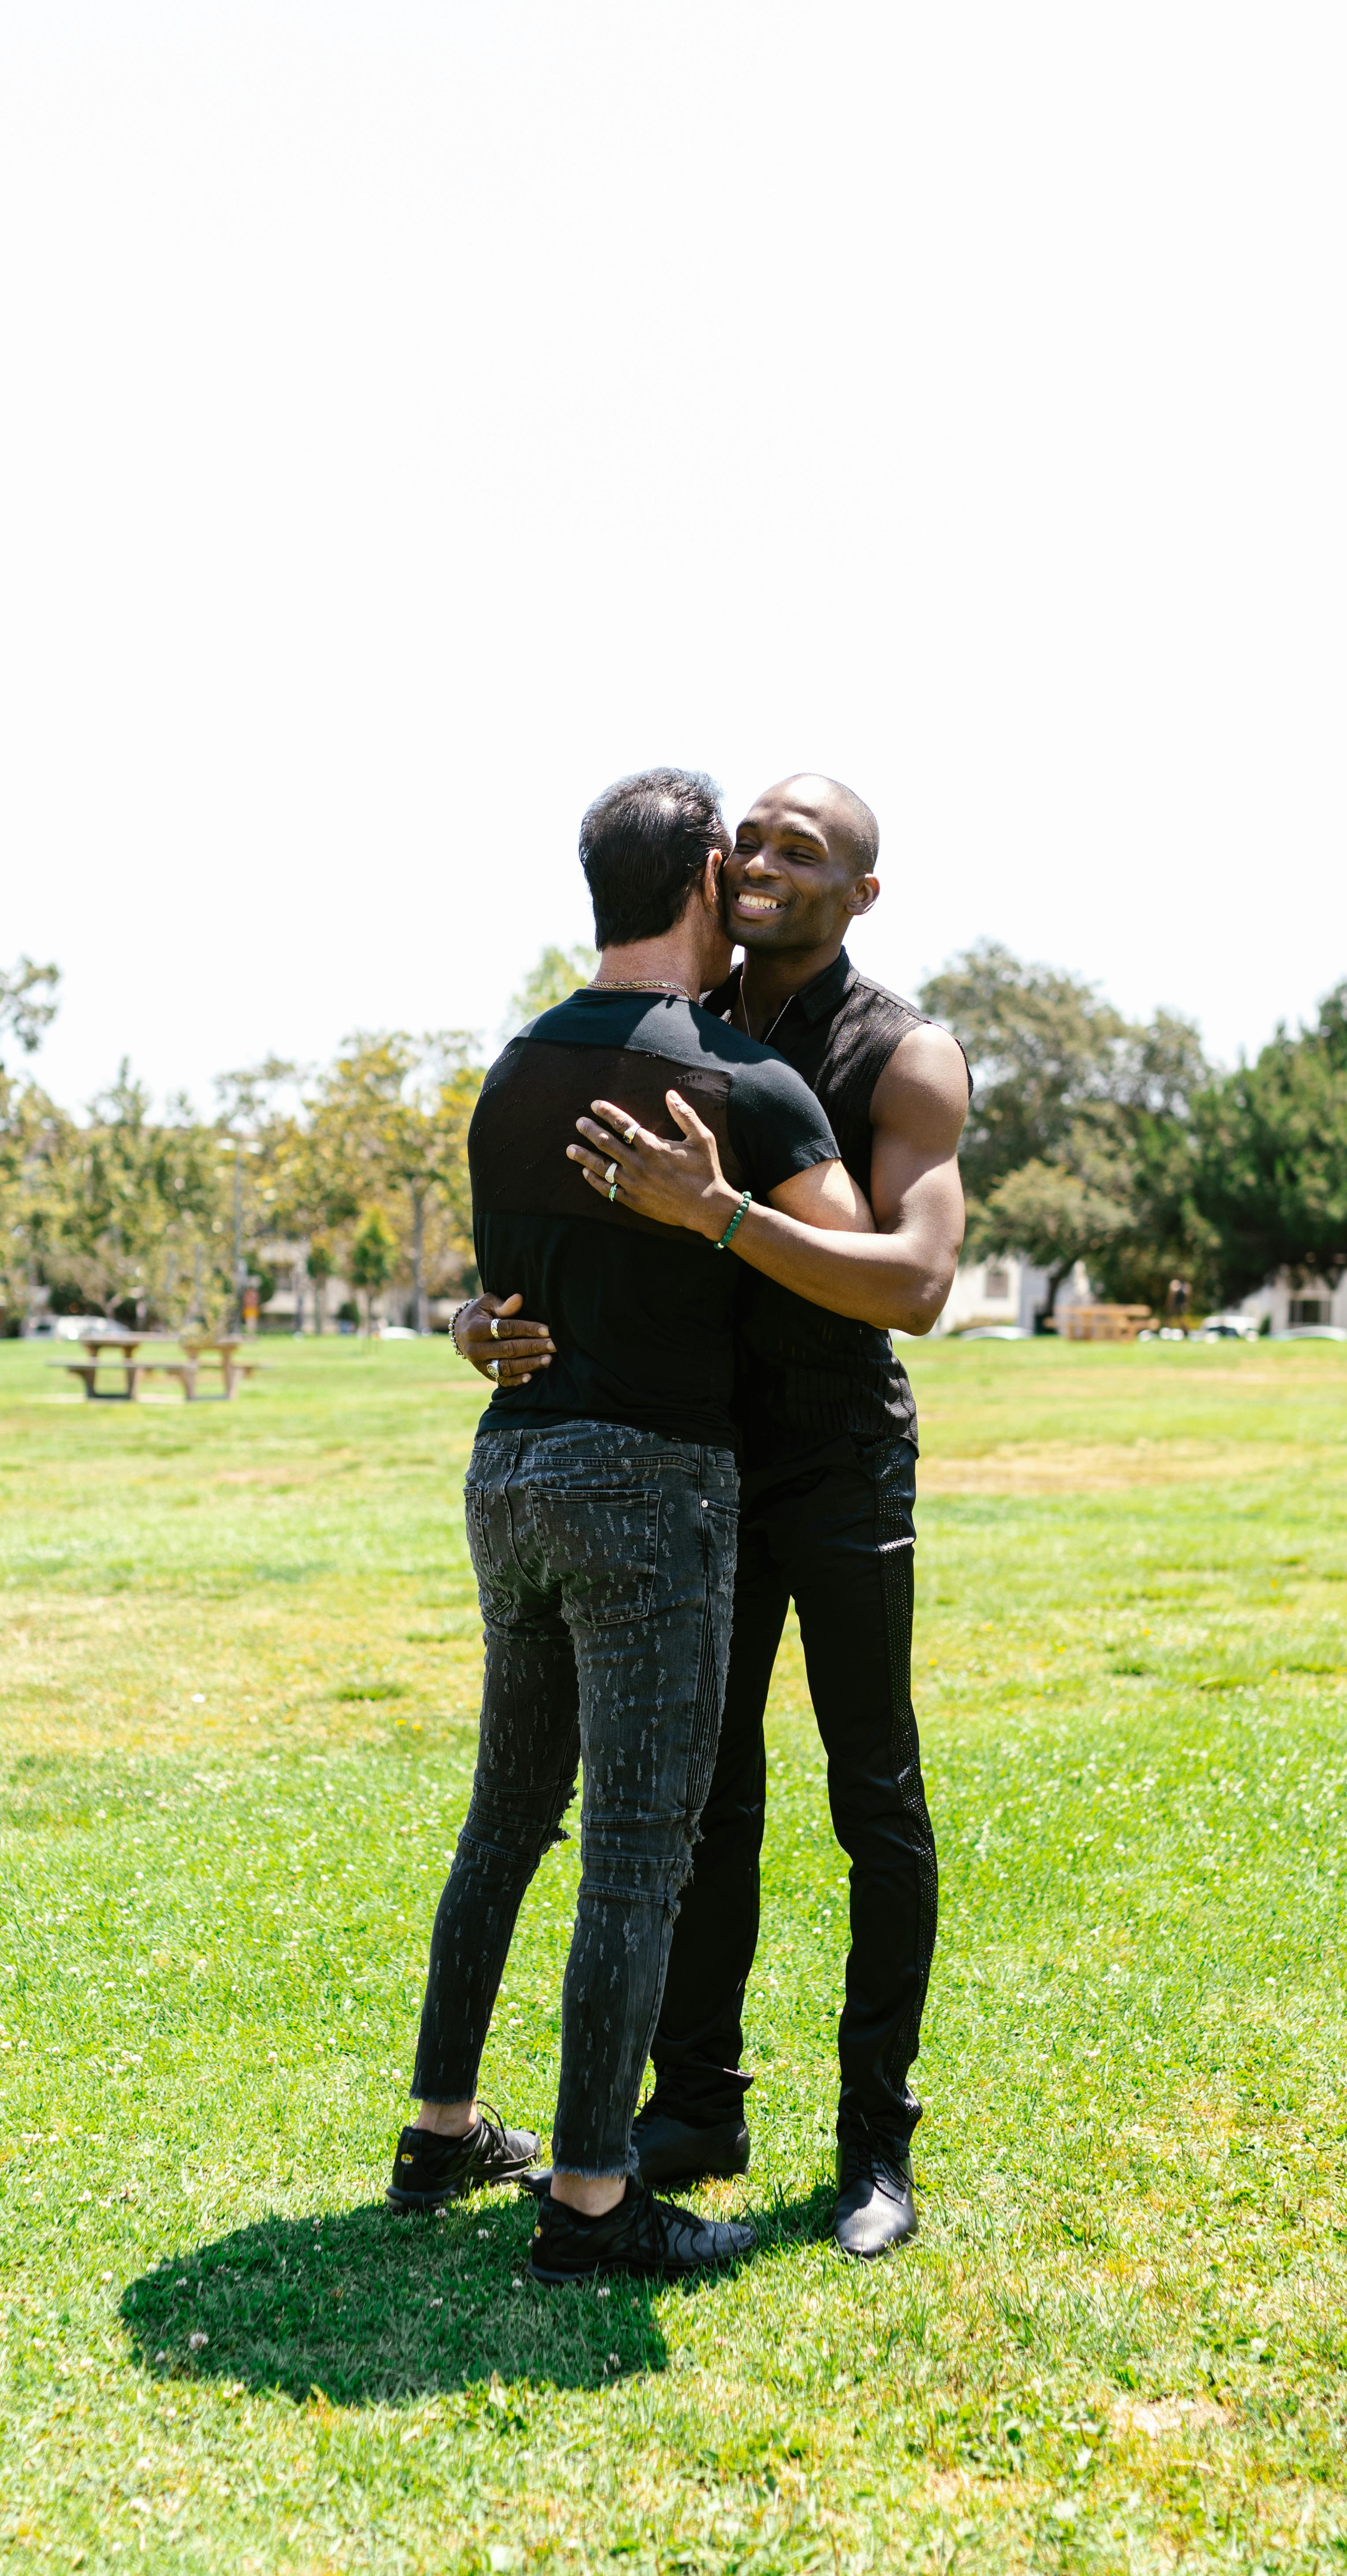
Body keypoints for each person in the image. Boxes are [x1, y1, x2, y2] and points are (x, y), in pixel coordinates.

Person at [460, 775, 968, 2258]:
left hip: (838, 1465)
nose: (762, 861)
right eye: (748, 838)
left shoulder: (905, 1053)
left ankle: (873, 2143)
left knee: (872, 1795)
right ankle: (696, 2107)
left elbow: (916, 1286)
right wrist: (479, 1325)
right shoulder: (675, 1025)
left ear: (859, 893)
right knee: (702, 1803)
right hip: (694, 1474)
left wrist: (725, 1216)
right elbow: (557, 1222)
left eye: (802, 850)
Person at [392, 767, 866, 2286]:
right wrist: (726, 1209)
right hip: (651, 1493)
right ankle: (594, 2201)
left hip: (509, 1472)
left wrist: (476, 1328)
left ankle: (441, 2126)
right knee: (634, 1851)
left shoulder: (511, 1067)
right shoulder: (742, 1082)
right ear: (708, 873)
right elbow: (861, 1272)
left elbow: (515, 1294)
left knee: (506, 1813)